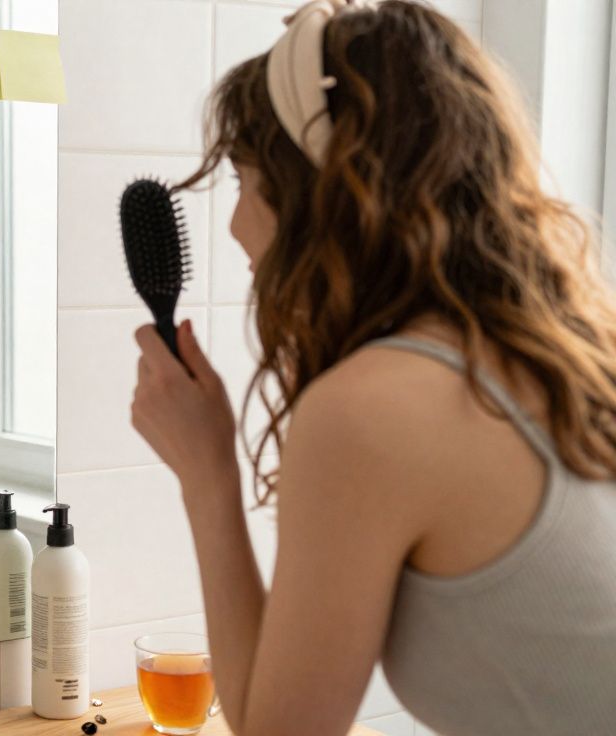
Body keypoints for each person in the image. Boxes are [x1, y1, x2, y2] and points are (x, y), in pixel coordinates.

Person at [130, 2, 616, 734]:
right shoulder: (567, 347)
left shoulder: (372, 411)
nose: (235, 229)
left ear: (325, 195)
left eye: (244, 183)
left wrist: (207, 475)